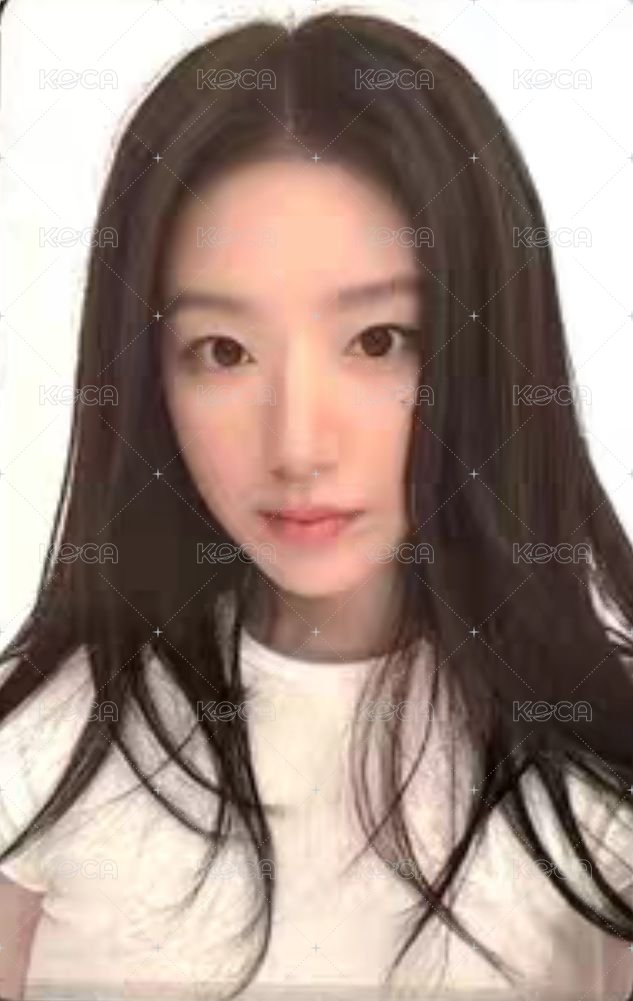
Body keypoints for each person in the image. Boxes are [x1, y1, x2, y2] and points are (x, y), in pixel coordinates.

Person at [2, 10, 633, 1001]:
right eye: (224, 351)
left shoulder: (601, 790)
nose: (297, 445)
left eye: (379, 340)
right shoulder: (42, 752)